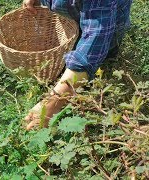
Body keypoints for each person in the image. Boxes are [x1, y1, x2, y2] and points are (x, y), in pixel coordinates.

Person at [22, 0, 132, 130]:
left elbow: (90, 50)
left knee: (101, 56)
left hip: (105, 22)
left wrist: (54, 102)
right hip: (72, 13)